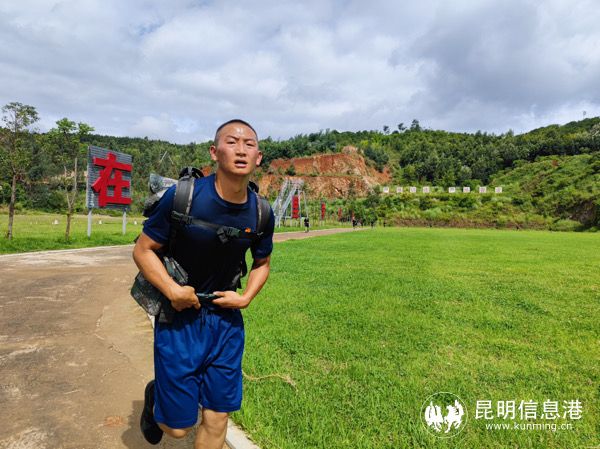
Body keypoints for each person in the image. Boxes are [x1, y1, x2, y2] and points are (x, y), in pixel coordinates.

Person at [132, 119, 274, 448]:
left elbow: (262, 263)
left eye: (249, 144)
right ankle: (157, 398)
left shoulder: (261, 212)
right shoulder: (184, 197)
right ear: (214, 152)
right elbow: (143, 249)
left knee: (217, 416)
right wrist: (172, 290)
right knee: (178, 428)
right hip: (179, 318)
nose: (241, 150)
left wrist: (246, 297)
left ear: (258, 157)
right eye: (232, 142)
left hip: (225, 322)